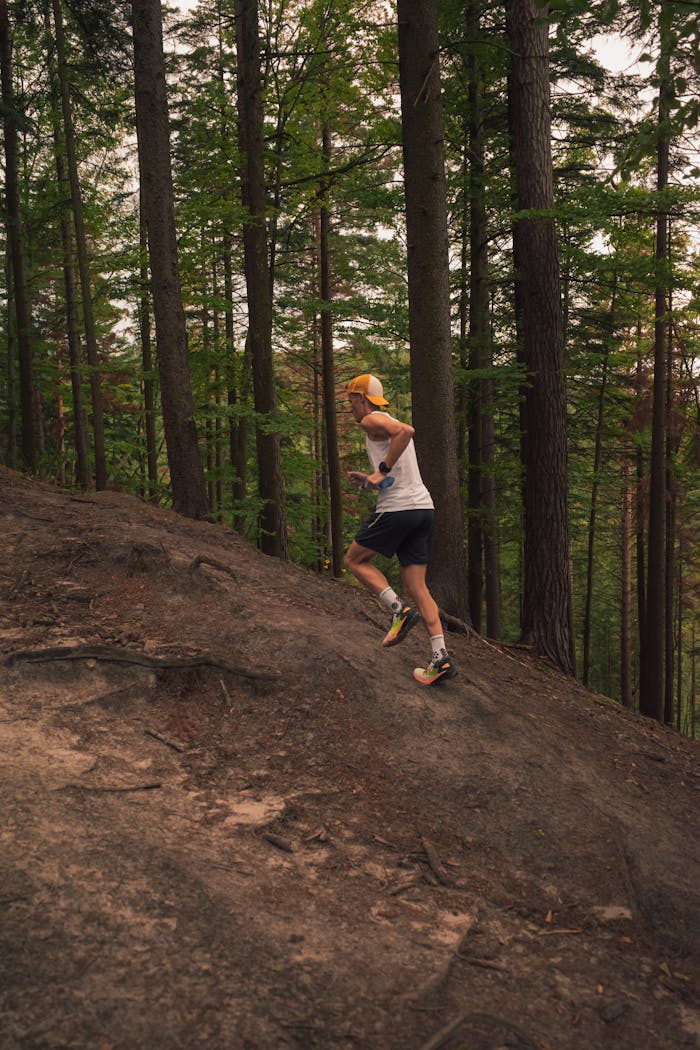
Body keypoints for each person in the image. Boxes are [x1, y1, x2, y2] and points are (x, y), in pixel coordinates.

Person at [344, 373, 457, 686]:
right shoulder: (382, 420)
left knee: (354, 560)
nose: (350, 406)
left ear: (361, 398)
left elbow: (406, 432)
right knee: (416, 586)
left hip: (399, 509)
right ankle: (440, 658)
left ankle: (398, 611)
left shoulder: (371, 420)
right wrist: (371, 479)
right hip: (423, 508)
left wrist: (379, 473)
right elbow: (399, 444)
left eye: (351, 400)